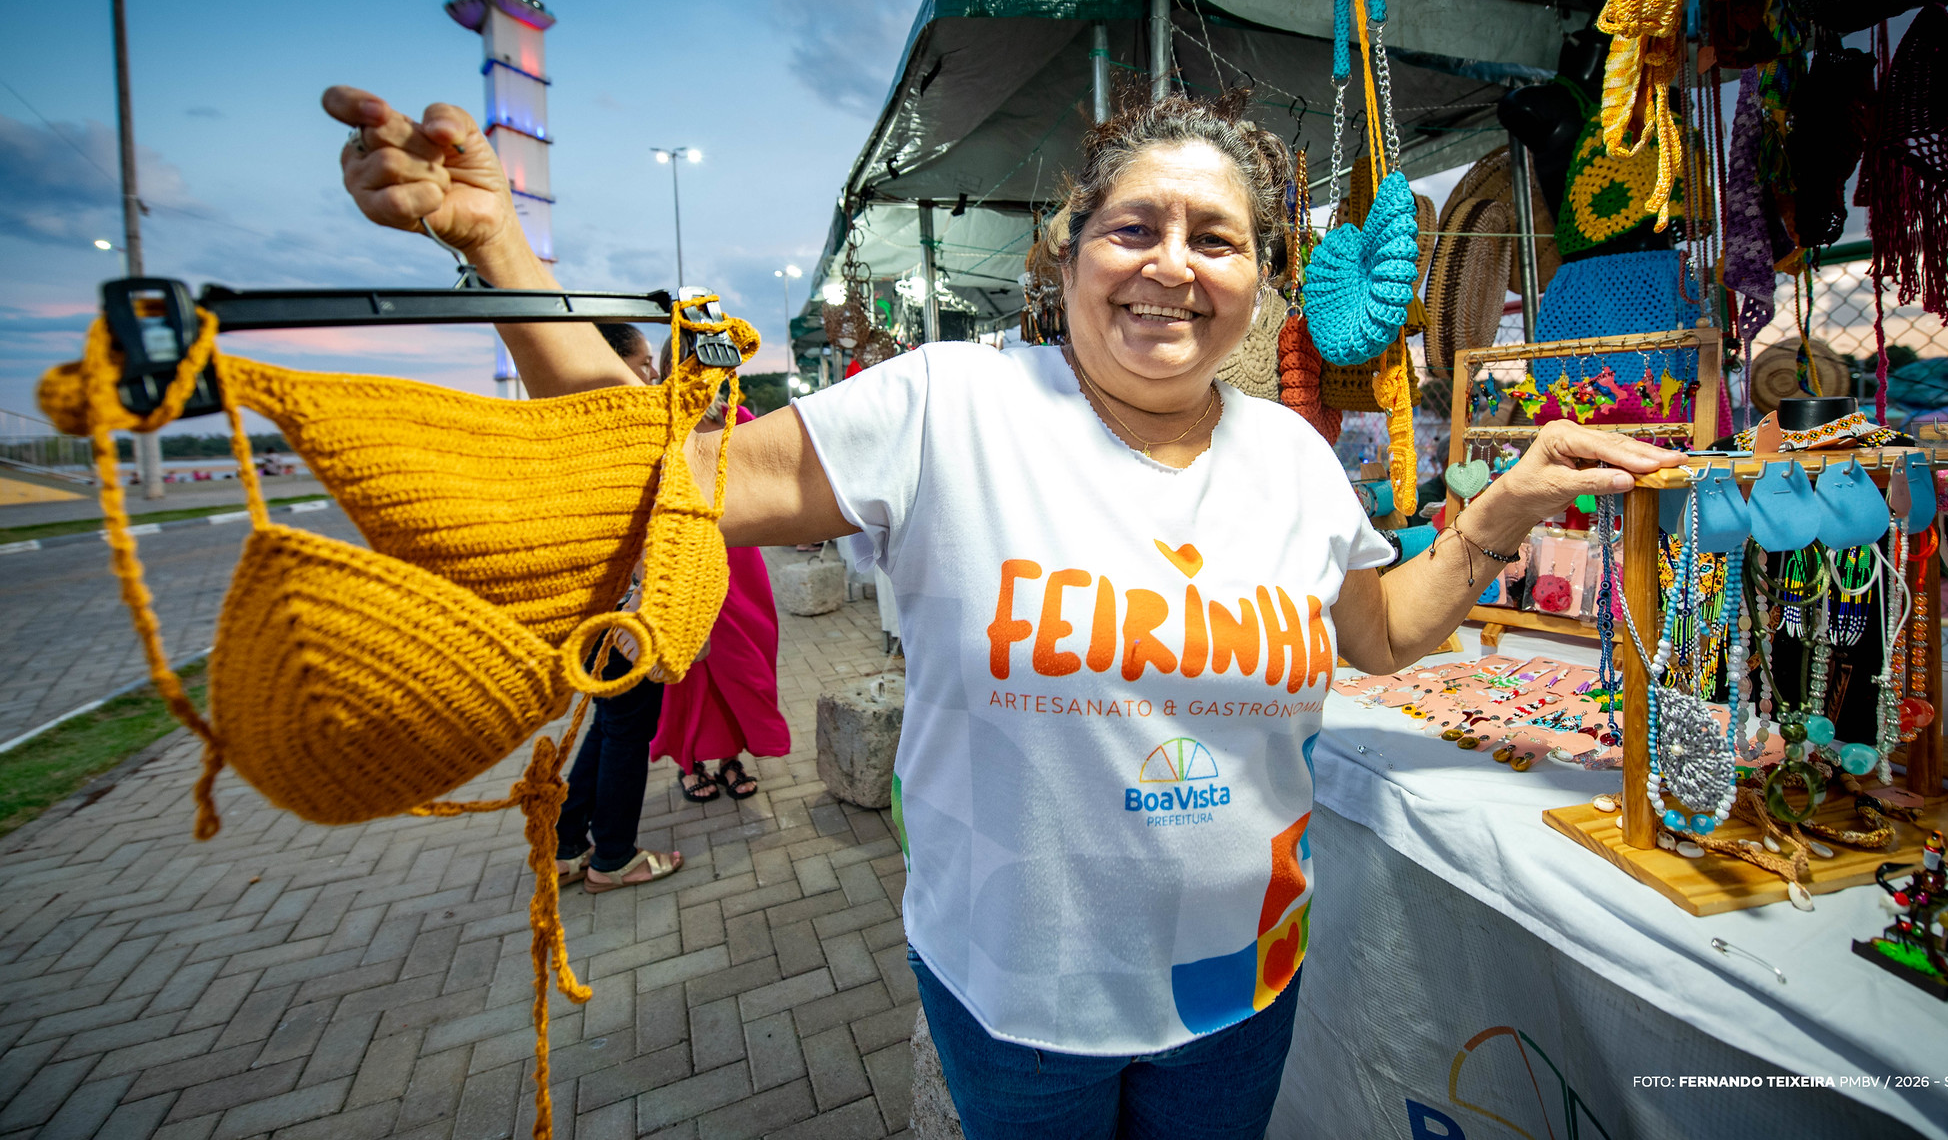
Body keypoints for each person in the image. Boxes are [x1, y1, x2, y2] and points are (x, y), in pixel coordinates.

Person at [326, 83, 1680, 1138]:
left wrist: (1498, 516)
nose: (1172, 264)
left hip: (1241, 984)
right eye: (1134, 226)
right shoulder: (949, 405)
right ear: (1070, 248)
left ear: (1260, 275)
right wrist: (497, 247)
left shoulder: (1292, 457)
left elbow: (1376, 631)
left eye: (1215, 238)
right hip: (1021, 1002)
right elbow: (659, 477)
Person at [547, 321, 683, 891]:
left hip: (594, 608)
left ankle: (566, 843)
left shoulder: (574, 424)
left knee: (610, 721)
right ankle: (614, 857)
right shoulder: (620, 431)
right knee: (627, 728)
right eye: (644, 362)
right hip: (624, 610)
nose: (651, 374)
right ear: (610, 362)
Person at [650, 358, 790, 804]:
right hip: (683, 557)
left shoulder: (736, 417)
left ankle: (731, 756)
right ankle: (689, 761)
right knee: (691, 668)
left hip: (740, 560)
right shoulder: (657, 419)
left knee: (749, 659)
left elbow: (769, 477)